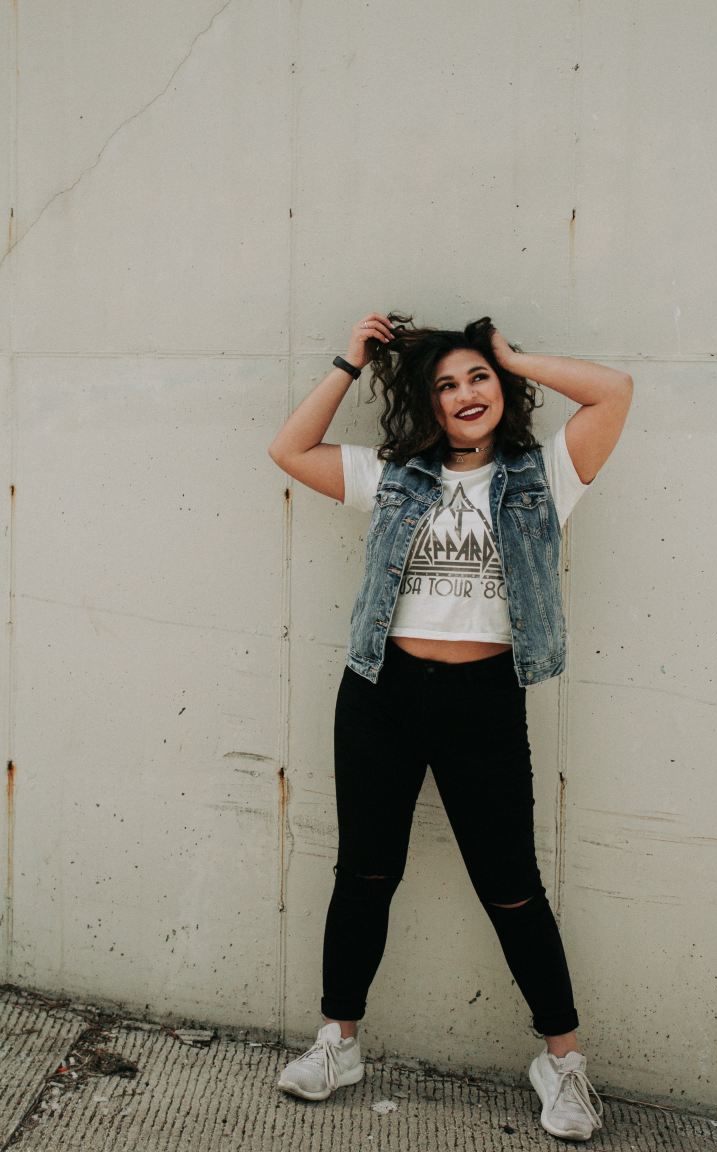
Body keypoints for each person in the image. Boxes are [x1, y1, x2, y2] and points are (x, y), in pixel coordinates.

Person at [267, 311, 633, 1142]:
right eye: (447, 385)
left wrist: (513, 355)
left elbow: (614, 393)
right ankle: (338, 1042)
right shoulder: (395, 475)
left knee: (512, 888)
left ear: (501, 388)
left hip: (484, 701)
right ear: (427, 406)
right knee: (364, 874)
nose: (466, 394)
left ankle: (563, 1062)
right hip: (381, 694)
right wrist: (347, 361)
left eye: (479, 379)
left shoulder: (547, 475)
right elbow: (289, 450)